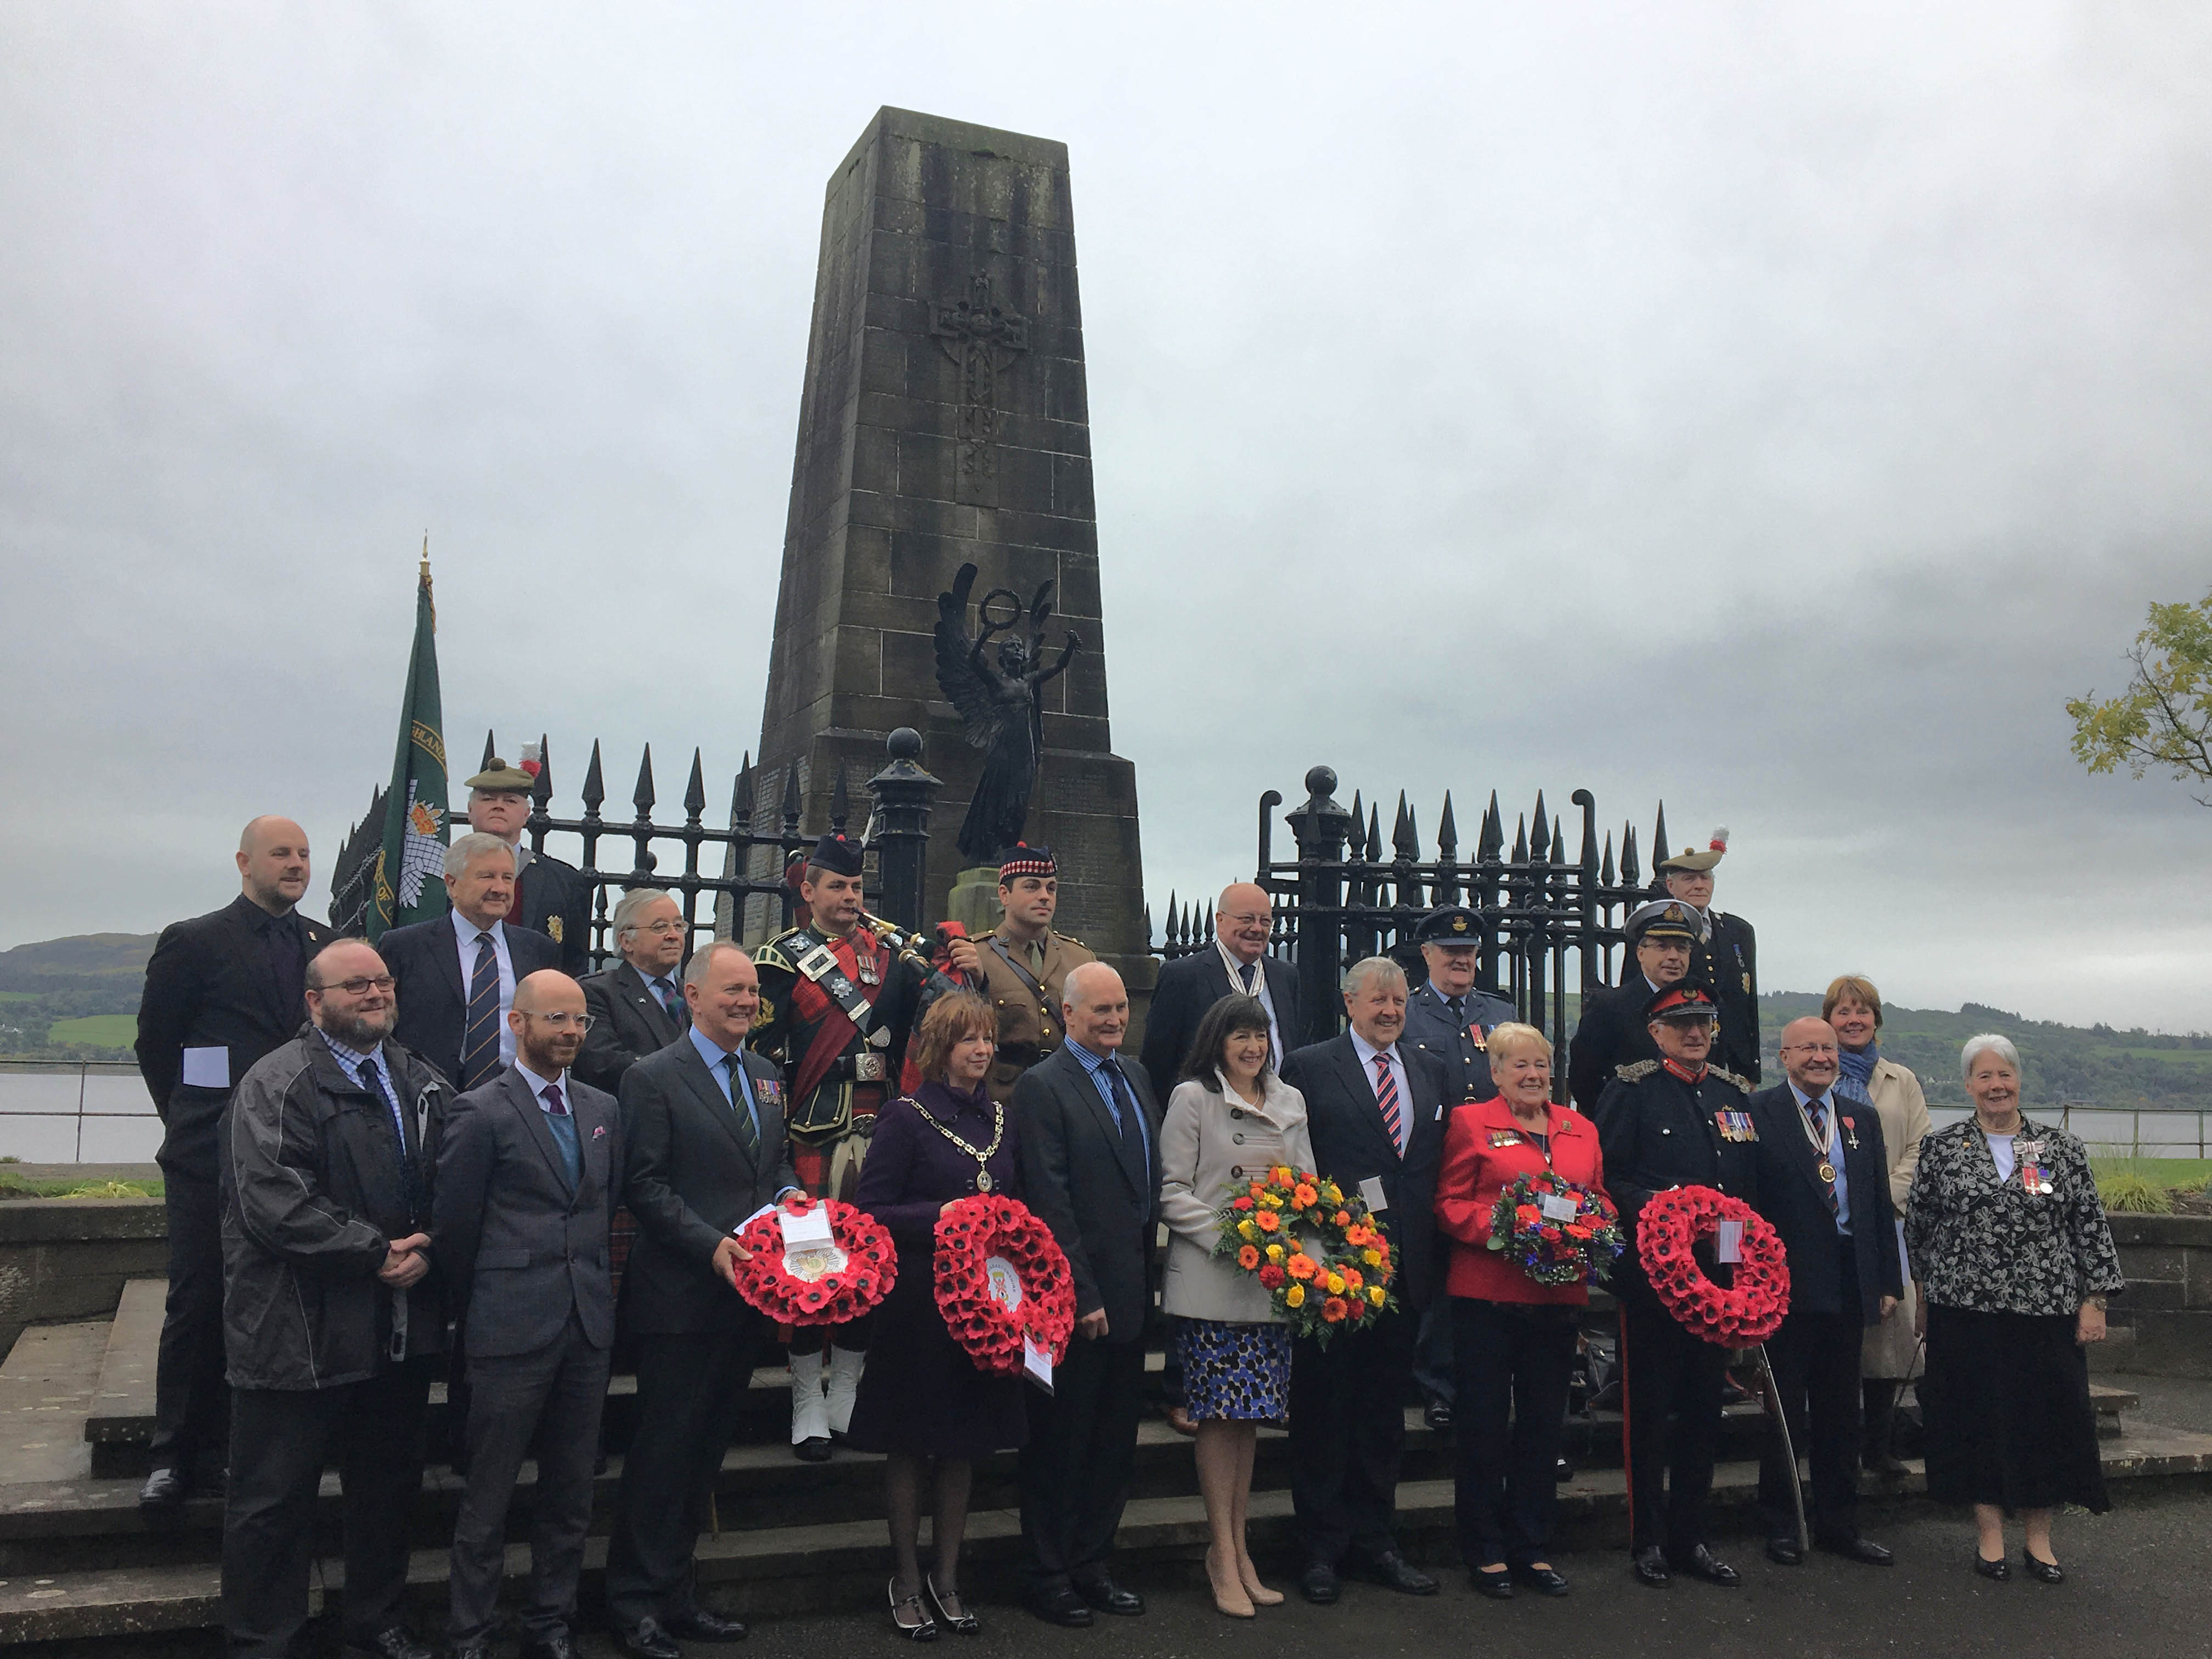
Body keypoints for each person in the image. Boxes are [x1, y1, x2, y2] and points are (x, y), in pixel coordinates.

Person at [220, 939, 449, 1659]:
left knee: (385, 1495)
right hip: (298, 1334)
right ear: (315, 1003)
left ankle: (375, 1627)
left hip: (394, 1331)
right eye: (356, 986)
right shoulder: (278, 1081)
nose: (376, 994)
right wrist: (374, 1252)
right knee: (272, 1505)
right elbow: (275, 1202)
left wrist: (431, 1242)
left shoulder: (419, 1077)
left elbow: (458, 1173)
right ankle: (265, 1642)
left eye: (381, 982)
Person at [605, 942, 802, 1659]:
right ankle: (634, 1605)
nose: (746, 1002)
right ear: (691, 997)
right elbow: (645, 1186)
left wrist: (791, 1198)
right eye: (732, 991)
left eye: (752, 991)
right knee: (663, 1456)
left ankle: (678, 1596)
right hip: (680, 1300)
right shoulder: (651, 1078)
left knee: (705, 1456)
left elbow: (772, 1160)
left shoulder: (765, 1074)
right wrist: (709, 1244)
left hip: (744, 1301)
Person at [133, 816, 330, 1520]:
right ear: (244, 862)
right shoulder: (196, 940)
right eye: (282, 853)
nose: (296, 864)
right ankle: (173, 1453)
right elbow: (159, 1046)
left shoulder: (324, 948)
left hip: (296, 1159)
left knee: (275, 1306)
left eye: (305, 854)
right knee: (198, 1299)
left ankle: (244, 1447)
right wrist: (195, 1117)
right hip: (206, 1154)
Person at [436, 970, 622, 1659]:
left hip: (586, 1328)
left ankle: (550, 1626)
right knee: (486, 1500)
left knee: (571, 1495)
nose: (571, 1033)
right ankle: (470, 1635)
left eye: (579, 1021)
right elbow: (455, 1230)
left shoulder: (604, 1108)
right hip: (510, 1329)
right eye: (556, 1020)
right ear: (518, 1025)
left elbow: (604, 1209)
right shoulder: (479, 1111)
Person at [1905, 1033, 2122, 1584]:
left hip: (2043, 1313)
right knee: (1973, 1422)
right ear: (1968, 1085)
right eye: (1984, 1076)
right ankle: (1989, 1536)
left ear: (2019, 1081)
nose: (1996, 1086)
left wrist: (2093, 1301)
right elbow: (1921, 1230)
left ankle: (2041, 1540)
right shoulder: (1943, 1147)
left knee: (2044, 1424)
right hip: (1964, 1313)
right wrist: (1925, 1299)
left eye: (2005, 1075)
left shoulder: (2059, 1149)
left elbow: (2089, 1227)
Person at [846, 992, 1027, 1639]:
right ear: (939, 1048)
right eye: (967, 1040)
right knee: (909, 1443)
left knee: (962, 1446)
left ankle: (947, 1579)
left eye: (987, 1040)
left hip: (982, 1306)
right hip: (918, 1303)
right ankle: (904, 1576)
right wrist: (942, 1216)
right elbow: (871, 1212)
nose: (981, 1051)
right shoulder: (906, 1117)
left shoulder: (1001, 1119)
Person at [1279, 957, 1448, 1605]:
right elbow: (1295, 1163)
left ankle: (1378, 1541)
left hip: (1406, 1273)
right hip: (1333, 1273)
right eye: (1378, 1000)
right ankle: (1320, 1549)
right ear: (1348, 1001)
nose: (1390, 1012)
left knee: (1384, 1417)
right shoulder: (1311, 1066)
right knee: (1325, 1413)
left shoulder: (1429, 1069)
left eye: (1399, 1001)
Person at [751, 832, 926, 1458]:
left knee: (868, 1264)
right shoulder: (780, 958)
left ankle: (846, 1393)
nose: (849, 897)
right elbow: (766, 1054)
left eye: (856, 887)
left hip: (879, 1126)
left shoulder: (893, 955)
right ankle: (806, 1402)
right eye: (837, 887)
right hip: (812, 1127)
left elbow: (908, 1037)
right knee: (810, 1264)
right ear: (809, 890)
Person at [1591, 983, 1759, 1589]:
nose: (1695, 1034)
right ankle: (1649, 1541)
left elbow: (1744, 1192)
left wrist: (1739, 1262)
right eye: (1681, 1024)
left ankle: (1693, 1539)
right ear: (1656, 1033)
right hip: (1657, 1281)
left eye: (1703, 1024)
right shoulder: (1633, 1090)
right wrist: (1667, 1210)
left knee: (1703, 1415)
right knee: (1650, 1416)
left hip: (1715, 1284)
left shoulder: (1732, 1096)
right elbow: (1608, 1178)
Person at [1431, 1022, 1603, 1600]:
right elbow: (1449, 1205)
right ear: (1496, 1072)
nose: (1532, 1076)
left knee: (1541, 1428)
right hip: (1488, 1296)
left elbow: (1598, 1201)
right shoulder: (1470, 1123)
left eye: (1541, 1066)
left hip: (1558, 1300)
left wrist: (1588, 1229)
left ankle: (1530, 1547)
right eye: (1519, 1066)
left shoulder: (1581, 1129)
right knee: (1482, 1427)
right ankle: (1484, 1550)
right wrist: (1510, 1229)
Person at [1013, 962, 1160, 1628]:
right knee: (1061, 1444)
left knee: (1113, 1444)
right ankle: (1048, 1573)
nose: (1114, 1019)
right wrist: (1081, 1292)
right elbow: (1050, 1198)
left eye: (1121, 1008)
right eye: (1100, 1010)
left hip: (1133, 1292)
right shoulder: (1043, 1086)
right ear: (1068, 1014)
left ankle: (1093, 1563)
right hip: (1076, 1301)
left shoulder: (1135, 1076)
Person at [1158, 994, 1314, 1618]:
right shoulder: (1192, 1098)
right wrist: (1235, 1235)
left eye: (1260, 1036)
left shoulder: (1289, 1100)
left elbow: (1308, 1183)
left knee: (1250, 1421)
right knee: (1221, 1419)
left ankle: (1241, 1548)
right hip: (1214, 1281)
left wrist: (1297, 1237)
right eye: (1239, 1037)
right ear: (1217, 1042)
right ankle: (1220, 1552)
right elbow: (1171, 1191)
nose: (1252, 1048)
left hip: (1272, 1282)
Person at [1747, 1018, 1901, 1568]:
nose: (1820, 1057)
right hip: (1784, 1282)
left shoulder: (1860, 1117)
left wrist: (1886, 1278)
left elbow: (1877, 1204)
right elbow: (1747, 1202)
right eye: (1808, 1048)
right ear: (1784, 1055)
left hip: (1848, 1281)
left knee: (1843, 1412)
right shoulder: (1758, 1113)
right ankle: (1784, 1525)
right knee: (1785, 1411)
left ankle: (1841, 1523)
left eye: (1828, 1048)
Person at [1399, 903, 1518, 1429]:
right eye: (1450, 952)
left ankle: (1478, 1378)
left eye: (1468, 953)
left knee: (1483, 1269)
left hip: (1491, 1162)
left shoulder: (1497, 1012)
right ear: (1427, 955)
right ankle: (1437, 1385)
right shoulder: (1410, 1011)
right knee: (1437, 1272)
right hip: (1433, 1156)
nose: (1460, 961)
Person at [1824, 975, 1932, 1476]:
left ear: (1876, 1020)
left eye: (1861, 1012)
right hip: (1836, 1224)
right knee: (1845, 1337)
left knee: (1889, 1337)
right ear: (1829, 1021)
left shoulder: (1900, 1081)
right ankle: (1839, 1445)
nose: (1853, 1021)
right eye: (1843, 1012)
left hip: (1888, 1221)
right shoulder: (1816, 1075)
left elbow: (1920, 1146)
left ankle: (1880, 1445)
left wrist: (1881, 1195)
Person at [380, 834, 560, 1090]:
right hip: (429, 1096)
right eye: (487, 877)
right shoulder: (404, 946)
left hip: (518, 1096)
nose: (500, 889)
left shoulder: (537, 949)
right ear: (452, 884)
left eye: (507, 878)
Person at [944, 843, 1096, 1104]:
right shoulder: (976, 955)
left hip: (1067, 1095)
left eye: (1051, 888)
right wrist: (979, 983)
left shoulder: (1080, 959)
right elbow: (954, 1034)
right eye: (1032, 887)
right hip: (1003, 1099)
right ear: (1004, 894)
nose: (1045, 896)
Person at [1141, 881, 1301, 1084]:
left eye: (1265, 921)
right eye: (1247, 919)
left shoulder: (1285, 977)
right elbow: (1157, 1065)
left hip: (1276, 1109)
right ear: (1220, 920)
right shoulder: (1182, 977)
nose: (1257, 928)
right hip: (1207, 1111)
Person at [1565, 900, 1706, 1111]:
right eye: (1662, 947)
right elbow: (1584, 1080)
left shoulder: (1702, 1007)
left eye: (1681, 948)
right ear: (1640, 953)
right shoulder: (1610, 1007)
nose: (1674, 957)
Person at [464, 752, 591, 974]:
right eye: (488, 799)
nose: (498, 806)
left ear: (526, 814)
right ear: (470, 811)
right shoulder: (440, 873)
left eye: (510, 801)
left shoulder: (565, 881)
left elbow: (574, 965)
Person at [1656, 829, 1760, 1086]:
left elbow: (1748, 1006)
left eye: (1705, 878)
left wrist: (1750, 1070)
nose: (1699, 885)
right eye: (1690, 879)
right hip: (1677, 1066)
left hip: (1731, 1068)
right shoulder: (1655, 931)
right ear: (1671, 886)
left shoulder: (1739, 932)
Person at [577, 889, 692, 1092]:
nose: (673, 935)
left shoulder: (693, 993)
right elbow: (604, 1063)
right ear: (627, 941)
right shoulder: (597, 993)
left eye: (678, 925)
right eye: (660, 927)